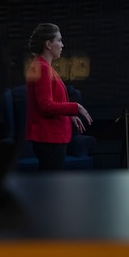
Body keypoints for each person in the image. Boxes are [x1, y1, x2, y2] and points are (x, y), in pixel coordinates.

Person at [25, 23, 93, 170]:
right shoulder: (42, 68)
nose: (62, 45)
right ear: (48, 44)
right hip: (49, 138)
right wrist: (77, 107)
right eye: (59, 40)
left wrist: (70, 114)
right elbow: (46, 106)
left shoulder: (42, 66)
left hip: (51, 138)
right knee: (51, 186)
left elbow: (53, 100)